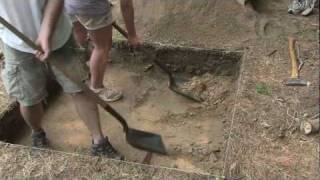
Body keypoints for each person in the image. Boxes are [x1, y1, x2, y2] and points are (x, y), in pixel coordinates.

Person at [0, 0, 123, 160]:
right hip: (16, 43)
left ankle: (99, 141)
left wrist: (46, 33)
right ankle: (37, 133)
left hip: (59, 35)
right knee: (28, 98)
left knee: (79, 88)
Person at [65, 0, 140, 102]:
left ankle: (81, 68)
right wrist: (132, 35)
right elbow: (126, 5)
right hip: (89, 6)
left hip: (69, 3)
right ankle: (97, 88)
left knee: (79, 30)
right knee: (102, 46)